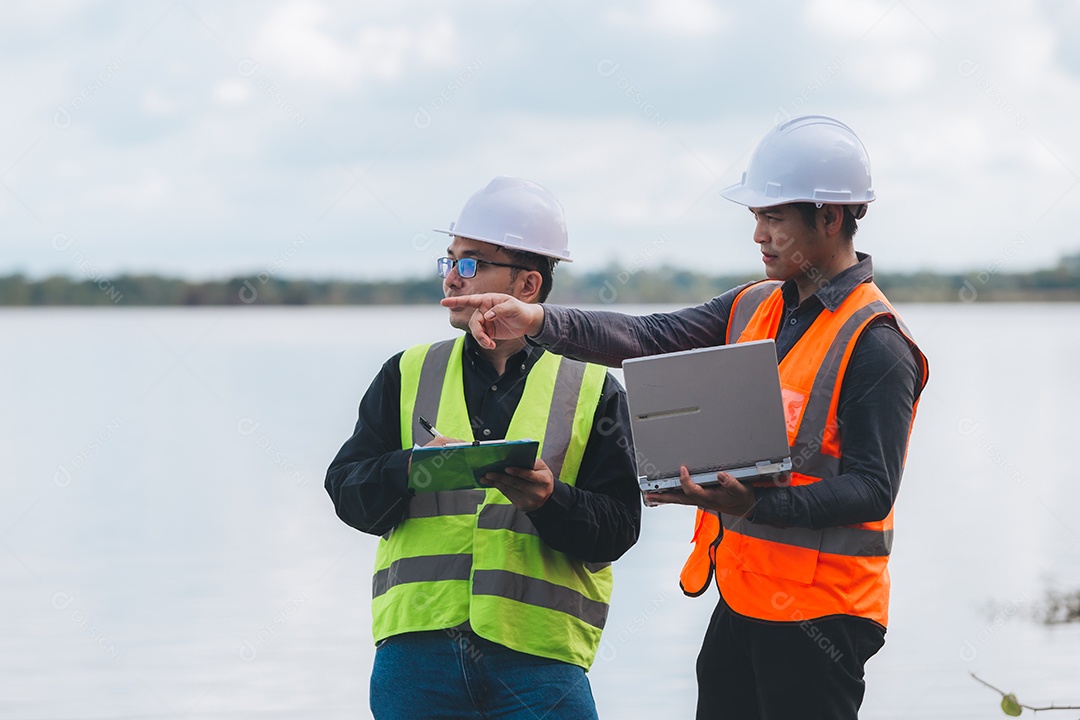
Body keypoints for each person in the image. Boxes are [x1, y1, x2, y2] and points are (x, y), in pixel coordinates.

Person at [442, 117, 930, 719]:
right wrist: (536, 320)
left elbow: (872, 490)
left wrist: (753, 505)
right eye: (756, 217)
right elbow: (646, 337)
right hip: (742, 600)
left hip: (823, 617)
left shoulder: (876, 342)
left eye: (774, 218)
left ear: (830, 218)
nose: (758, 234)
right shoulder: (755, 304)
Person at [325, 176, 641, 720]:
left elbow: (618, 528)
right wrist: (415, 470)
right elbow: (348, 494)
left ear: (526, 285)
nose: (451, 275)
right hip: (416, 658)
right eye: (448, 259)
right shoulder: (404, 374)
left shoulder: (594, 389)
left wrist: (549, 500)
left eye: (471, 263)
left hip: (541, 661)